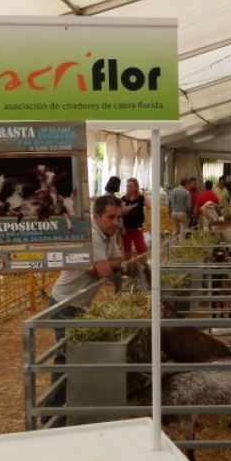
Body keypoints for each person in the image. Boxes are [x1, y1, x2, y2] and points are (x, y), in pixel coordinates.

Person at [46, 195, 127, 423]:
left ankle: (62, 409)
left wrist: (108, 264)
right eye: (111, 217)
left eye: (119, 217)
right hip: (65, 304)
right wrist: (107, 265)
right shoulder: (91, 235)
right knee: (66, 359)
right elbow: (106, 272)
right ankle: (53, 416)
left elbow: (116, 262)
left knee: (72, 357)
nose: (116, 222)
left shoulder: (107, 236)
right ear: (96, 217)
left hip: (79, 304)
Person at [119, 177, 148, 258]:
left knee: (141, 249)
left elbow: (149, 205)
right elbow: (121, 212)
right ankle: (128, 268)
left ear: (136, 187)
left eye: (130, 186)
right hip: (126, 228)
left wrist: (144, 194)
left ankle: (144, 267)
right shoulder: (123, 199)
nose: (128, 188)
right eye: (127, 186)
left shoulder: (140, 198)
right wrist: (126, 210)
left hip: (137, 228)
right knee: (127, 250)